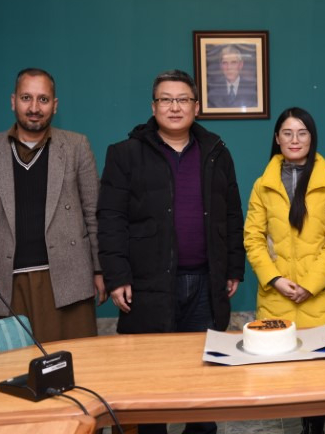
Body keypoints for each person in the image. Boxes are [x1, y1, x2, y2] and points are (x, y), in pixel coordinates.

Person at [97, 69, 245, 434]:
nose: (174, 107)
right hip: (147, 285)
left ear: (196, 106)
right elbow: (111, 219)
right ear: (153, 106)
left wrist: (233, 267)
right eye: (166, 99)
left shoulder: (217, 152)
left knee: (203, 379)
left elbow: (231, 213)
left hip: (205, 284)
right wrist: (116, 276)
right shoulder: (125, 154)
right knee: (150, 383)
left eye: (183, 100)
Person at [0, 67, 106, 342]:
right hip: (5, 282)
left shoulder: (76, 146)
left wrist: (100, 269)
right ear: (13, 101)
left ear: (55, 105)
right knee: (11, 363)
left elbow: (94, 214)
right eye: (26, 98)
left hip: (68, 280)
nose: (34, 108)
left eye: (43, 99)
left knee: (76, 360)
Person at [244, 107, 325, 434]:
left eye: (302, 133)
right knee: (285, 376)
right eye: (287, 133)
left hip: (320, 296)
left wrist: (310, 284)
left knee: (320, 378)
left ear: (312, 138)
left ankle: (314, 429)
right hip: (278, 294)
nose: (295, 139)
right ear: (277, 138)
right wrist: (274, 279)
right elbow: (252, 238)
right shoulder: (262, 185)